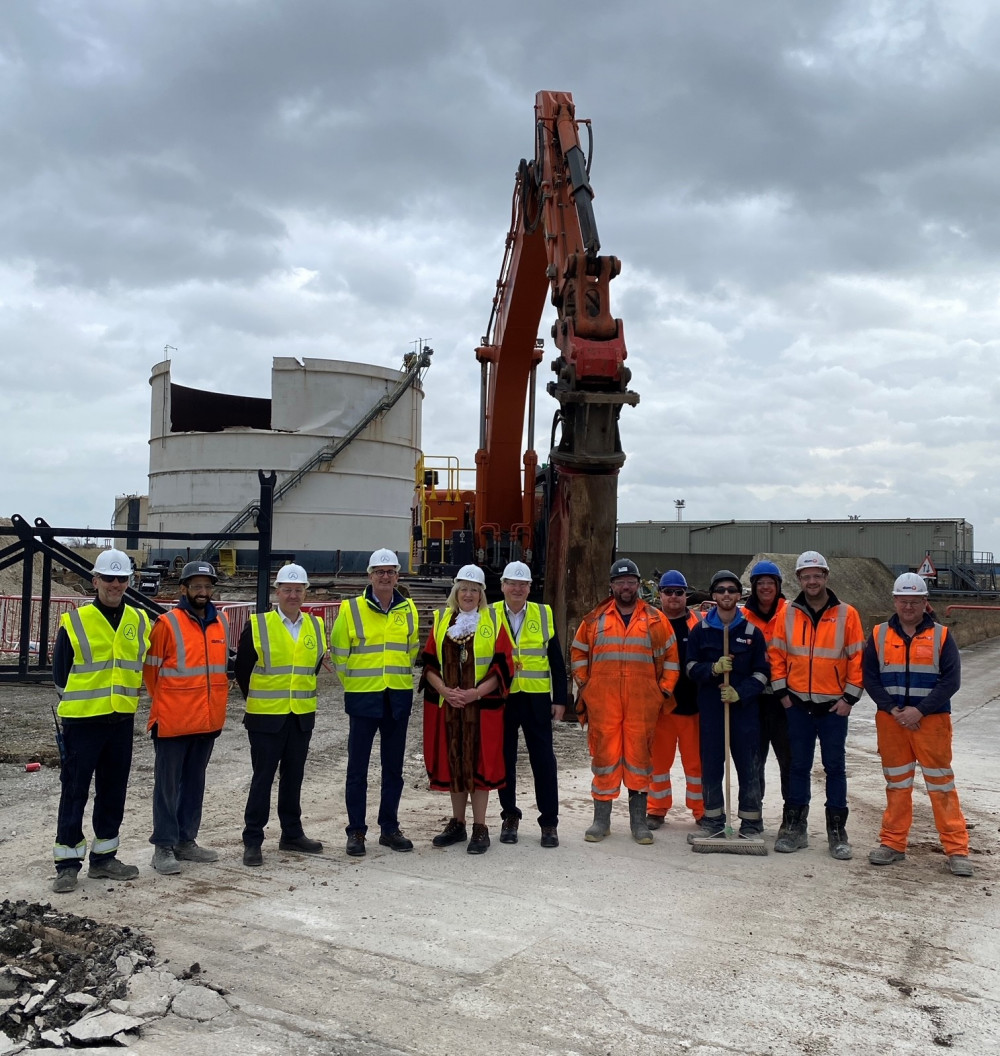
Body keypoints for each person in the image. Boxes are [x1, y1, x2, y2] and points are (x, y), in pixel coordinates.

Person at [50, 549, 151, 893]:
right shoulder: (76, 620)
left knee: (113, 792)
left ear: (129, 582)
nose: (115, 585)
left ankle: (104, 858)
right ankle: (66, 864)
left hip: (120, 722)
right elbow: (61, 676)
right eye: (108, 578)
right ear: (95, 581)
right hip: (82, 724)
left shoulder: (139, 620)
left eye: (122, 579)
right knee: (74, 792)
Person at [863, 573, 973, 877]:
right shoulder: (878, 634)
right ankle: (893, 844)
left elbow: (951, 680)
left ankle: (956, 849)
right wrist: (892, 709)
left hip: (932, 722)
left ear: (925, 602)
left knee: (941, 786)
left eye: (914, 601)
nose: (908, 606)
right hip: (891, 721)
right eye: (903, 600)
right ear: (895, 601)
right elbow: (870, 677)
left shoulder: (942, 635)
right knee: (897, 785)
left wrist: (919, 711)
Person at [571, 558, 679, 845]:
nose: (626, 587)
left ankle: (639, 824)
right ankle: (601, 821)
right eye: (620, 582)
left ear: (638, 584)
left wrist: (662, 692)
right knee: (604, 760)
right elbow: (578, 653)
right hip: (603, 703)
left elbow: (671, 659)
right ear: (612, 585)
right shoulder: (595, 620)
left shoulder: (656, 620)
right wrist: (587, 687)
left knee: (640, 761)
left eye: (630, 581)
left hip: (642, 704)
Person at [768, 551, 864, 860]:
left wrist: (849, 698)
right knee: (798, 766)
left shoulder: (848, 614)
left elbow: (857, 659)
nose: (812, 581)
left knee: (835, 768)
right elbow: (777, 656)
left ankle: (837, 830)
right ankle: (795, 827)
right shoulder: (788, 613)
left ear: (826, 577)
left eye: (817, 575)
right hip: (798, 705)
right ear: (799, 579)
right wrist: (783, 694)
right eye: (806, 576)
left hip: (834, 708)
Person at [235, 563, 328, 867]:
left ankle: (291, 833)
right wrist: (261, 701)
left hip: (300, 715)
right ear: (277, 592)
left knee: (294, 778)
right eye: (287, 589)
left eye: (298, 590)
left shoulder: (314, 626)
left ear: (305, 592)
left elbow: (312, 668)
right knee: (262, 779)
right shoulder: (259, 624)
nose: (293, 595)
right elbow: (243, 670)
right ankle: (253, 840)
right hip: (265, 717)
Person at [330, 548, 420, 858]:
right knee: (358, 769)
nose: (385, 576)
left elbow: (411, 650)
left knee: (393, 768)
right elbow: (339, 654)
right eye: (379, 571)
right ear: (370, 576)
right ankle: (356, 831)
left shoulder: (407, 608)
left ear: (397, 576)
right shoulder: (351, 609)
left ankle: (389, 828)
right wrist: (355, 684)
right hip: (363, 698)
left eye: (391, 571)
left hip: (396, 697)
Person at [143, 560, 229, 875]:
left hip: (207, 721)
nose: (203, 592)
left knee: (194, 784)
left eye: (207, 586)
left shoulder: (221, 622)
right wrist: (169, 703)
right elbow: (151, 672)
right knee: (167, 787)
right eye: (196, 586)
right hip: (173, 721)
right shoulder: (167, 623)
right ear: (184, 589)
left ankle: (186, 840)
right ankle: (163, 846)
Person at [420, 564, 513, 854]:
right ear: (456, 591)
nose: (468, 594)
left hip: (482, 707)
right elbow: (429, 665)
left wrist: (474, 693)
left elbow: (503, 665)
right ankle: (458, 823)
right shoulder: (441, 620)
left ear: (482, 593)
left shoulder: (494, 620)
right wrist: (446, 691)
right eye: (464, 589)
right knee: (455, 762)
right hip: (449, 706)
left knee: (480, 765)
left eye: (474, 589)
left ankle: (480, 827)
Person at [685, 570, 769, 841]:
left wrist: (740, 693)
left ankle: (751, 824)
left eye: (731, 590)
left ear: (739, 595)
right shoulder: (701, 631)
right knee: (711, 765)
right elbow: (689, 667)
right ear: (713, 595)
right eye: (721, 590)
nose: (726, 595)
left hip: (743, 711)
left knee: (748, 766)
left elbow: (762, 672)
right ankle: (713, 820)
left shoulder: (751, 633)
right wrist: (712, 668)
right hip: (711, 708)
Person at [493, 561, 566, 849]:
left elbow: (556, 661)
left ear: (529, 587)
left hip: (536, 699)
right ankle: (509, 816)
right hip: (502, 698)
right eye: (512, 583)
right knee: (504, 760)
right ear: (502, 586)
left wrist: (560, 699)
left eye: (522, 584)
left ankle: (549, 822)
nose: (517, 588)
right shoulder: (490, 614)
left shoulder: (543, 613)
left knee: (544, 762)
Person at [646, 570, 702, 829]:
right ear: (660, 595)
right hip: (662, 708)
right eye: (668, 592)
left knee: (696, 764)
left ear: (686, 595)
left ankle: (702, 811)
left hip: (694, 707)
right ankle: (656, 809)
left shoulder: (700, 623)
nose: (674, 597)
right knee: (658, 764)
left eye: (679, 592)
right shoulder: (650, 624)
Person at [742, 560, 791, 834]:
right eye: (760, 583)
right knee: (752, 761)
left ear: (778, 586)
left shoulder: (791, 613)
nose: (765, 588)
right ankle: (752, 817)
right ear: (753, 587)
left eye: (770, 583)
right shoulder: (743, 617)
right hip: (754, 700)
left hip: (784, 701)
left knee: (789, 761)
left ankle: (792, 818)